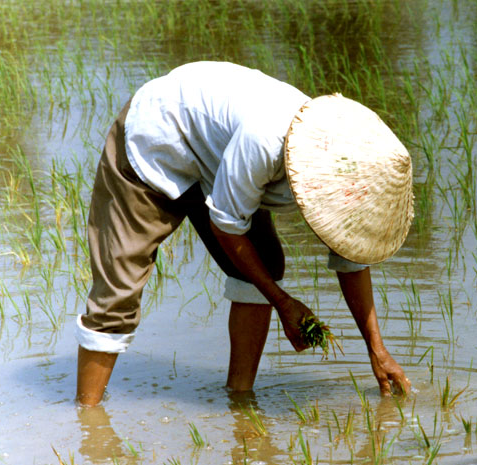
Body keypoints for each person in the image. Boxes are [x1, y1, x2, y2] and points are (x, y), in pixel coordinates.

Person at [75, 61, 414, 407]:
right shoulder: (266, 140)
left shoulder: (346, 177)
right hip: (155, 136)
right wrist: (283, 303)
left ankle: (239, 401)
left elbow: (349, 258)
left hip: (214, 153)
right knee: (118, 293)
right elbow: (224, 228)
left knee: (264, 261)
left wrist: (378, 350)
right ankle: (86, 423)